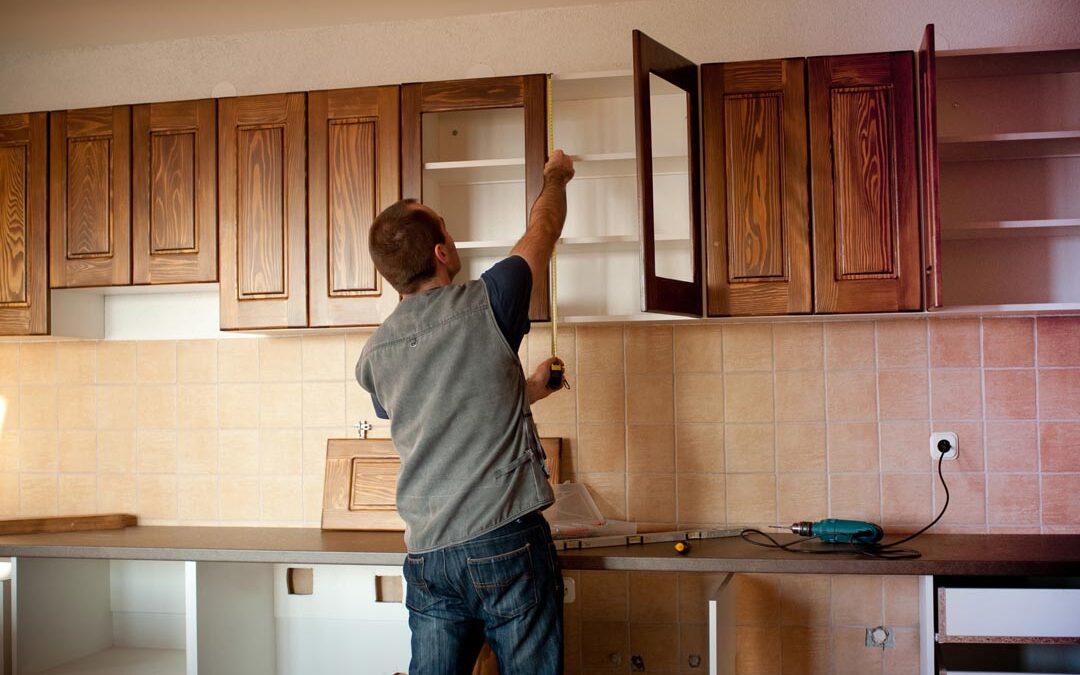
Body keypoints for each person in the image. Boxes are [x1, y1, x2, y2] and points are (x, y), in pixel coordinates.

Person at [355, 149, 576, 674]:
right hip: (505, 542)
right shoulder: (491, 301)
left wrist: (528, 391)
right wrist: (556, 178)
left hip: (429, 557)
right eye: (448, 233)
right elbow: (542, 230)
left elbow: (440, 407)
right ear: (441, 252)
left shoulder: (375, 356)